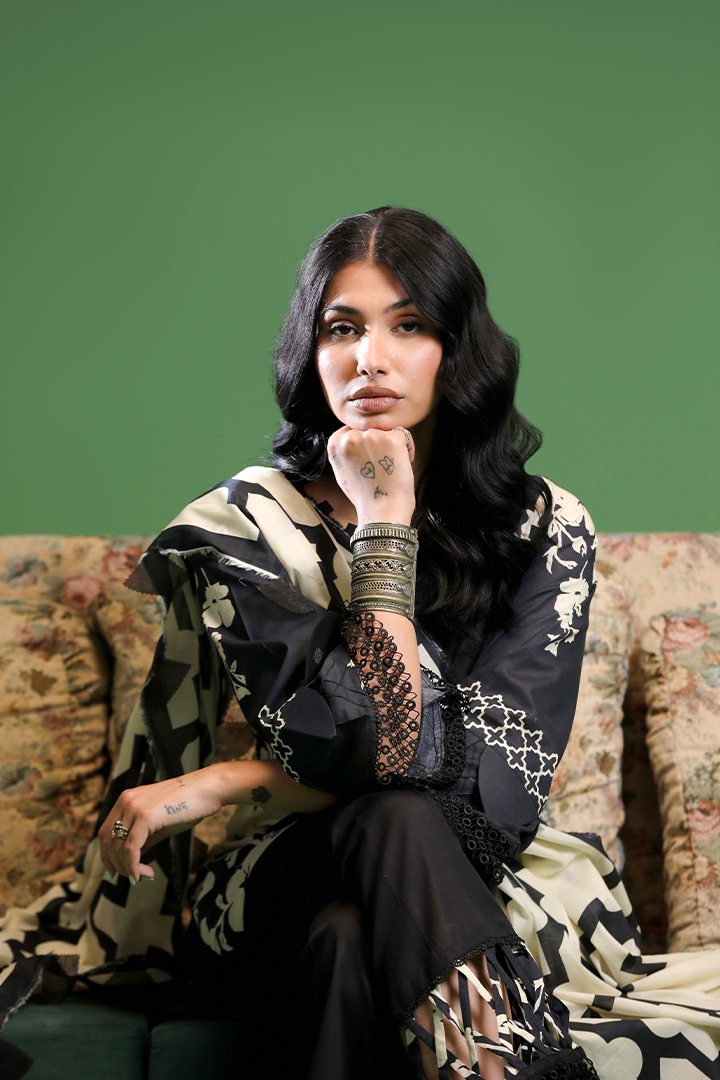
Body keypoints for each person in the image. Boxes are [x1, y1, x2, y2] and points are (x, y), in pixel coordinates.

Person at [1, 207, 719, 1080]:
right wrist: (385, 521)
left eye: (407, 326)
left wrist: (225, 780)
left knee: (345, 940)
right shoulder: (246, 528)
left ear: (458, 348)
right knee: (392, 819)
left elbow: (491, 796)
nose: (369, 358)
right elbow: (382, 745)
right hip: (275, 876)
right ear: (310, 352)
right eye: (342, 328)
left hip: (489, 878)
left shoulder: (547, 526)